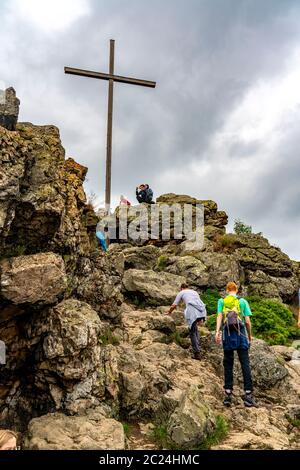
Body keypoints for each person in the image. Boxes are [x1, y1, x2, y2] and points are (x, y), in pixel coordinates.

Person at [215, 282, 256, 408]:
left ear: (227, 290)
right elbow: (247, 321)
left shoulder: (222, 301)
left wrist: (217, 332)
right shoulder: (243, 301)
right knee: (245, 363)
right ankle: (248, 395)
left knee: (228, 363)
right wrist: (249, 336)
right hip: (241, 334)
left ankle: (228, 395)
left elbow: (219, 316)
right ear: (237, 290)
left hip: (227, 334)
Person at [168, 283, 207, 360]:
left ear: (181, 288)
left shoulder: (181, 292)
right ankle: (198, 348)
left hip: (192, 311)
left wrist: (169, 312)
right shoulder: (194, 292)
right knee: (195, 329)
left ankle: (197, 353)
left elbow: (174, 305)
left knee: (192, 331)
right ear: (187, 287)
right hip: (201, 311)